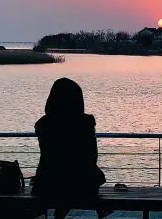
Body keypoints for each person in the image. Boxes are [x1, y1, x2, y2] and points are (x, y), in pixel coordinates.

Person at [31, 77, 110, 219]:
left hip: (47, 184)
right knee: (87, 176)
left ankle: (60, 210)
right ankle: (98, 210)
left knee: (63, 178)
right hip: (80, 185)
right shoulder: (85, 123)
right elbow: (92, 156)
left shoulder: (43, 124)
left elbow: (49, 155)